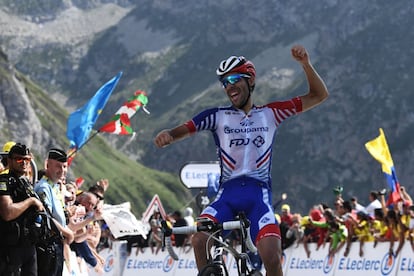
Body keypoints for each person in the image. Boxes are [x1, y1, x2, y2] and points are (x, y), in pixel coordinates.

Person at [154, 45, 329, 275]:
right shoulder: (217, 116)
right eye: (224, 82)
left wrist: (305, 65)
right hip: (227, 197)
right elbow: (187, 128)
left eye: (235, 78)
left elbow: (319, 95)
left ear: (250, 80)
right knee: (199, 240)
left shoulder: (271, 113)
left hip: (259, 198)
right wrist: (169, 135)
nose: (229, 86)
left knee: (272, 256)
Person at [0, 143, 44, 276]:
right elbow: (7, 212)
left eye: (27, 160)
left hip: (29, 245)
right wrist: (30, 201)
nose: (24, 163)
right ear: (9, 160)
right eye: (19, 159)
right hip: (10, 248)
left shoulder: (26, 183)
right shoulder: (4, 181)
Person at [34, 148, 74, 276]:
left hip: (56, 244)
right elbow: (46, 217)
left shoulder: (55, 186)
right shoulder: (43, 187)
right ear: (47, 165)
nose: (62, 170)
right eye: (58, 166)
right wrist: (66, 232)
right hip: (47, 244)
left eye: (64, 166)